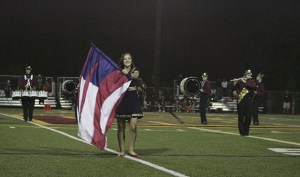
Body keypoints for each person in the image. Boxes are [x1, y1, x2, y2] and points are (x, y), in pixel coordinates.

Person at [115, 52, 143, 157]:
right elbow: (115, 80)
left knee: (133, 126)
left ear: (132, 60)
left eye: (129, 58)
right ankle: (122, 150)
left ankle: (131, 150)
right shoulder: (117, 71)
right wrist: (120, 73)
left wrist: (124, 73)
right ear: (122, 61)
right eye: (125, 59)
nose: (127, 60)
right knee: (121, 127)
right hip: (122, 99)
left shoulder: (135, 70)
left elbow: (134, 76)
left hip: (133, 99)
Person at [232, 69, 256, 136]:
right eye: (248, 74)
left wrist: (244, 82)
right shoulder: (240, 81)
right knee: (241, 117)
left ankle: (246, 131)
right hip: (241, 101)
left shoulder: (252, 81)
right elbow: (234, 89)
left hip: (249, 100)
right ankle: (242, 132)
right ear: (245, 75)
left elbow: (252, 86)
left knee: (248, 117)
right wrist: (235, 84)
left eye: (250, 74)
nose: (250, 75)